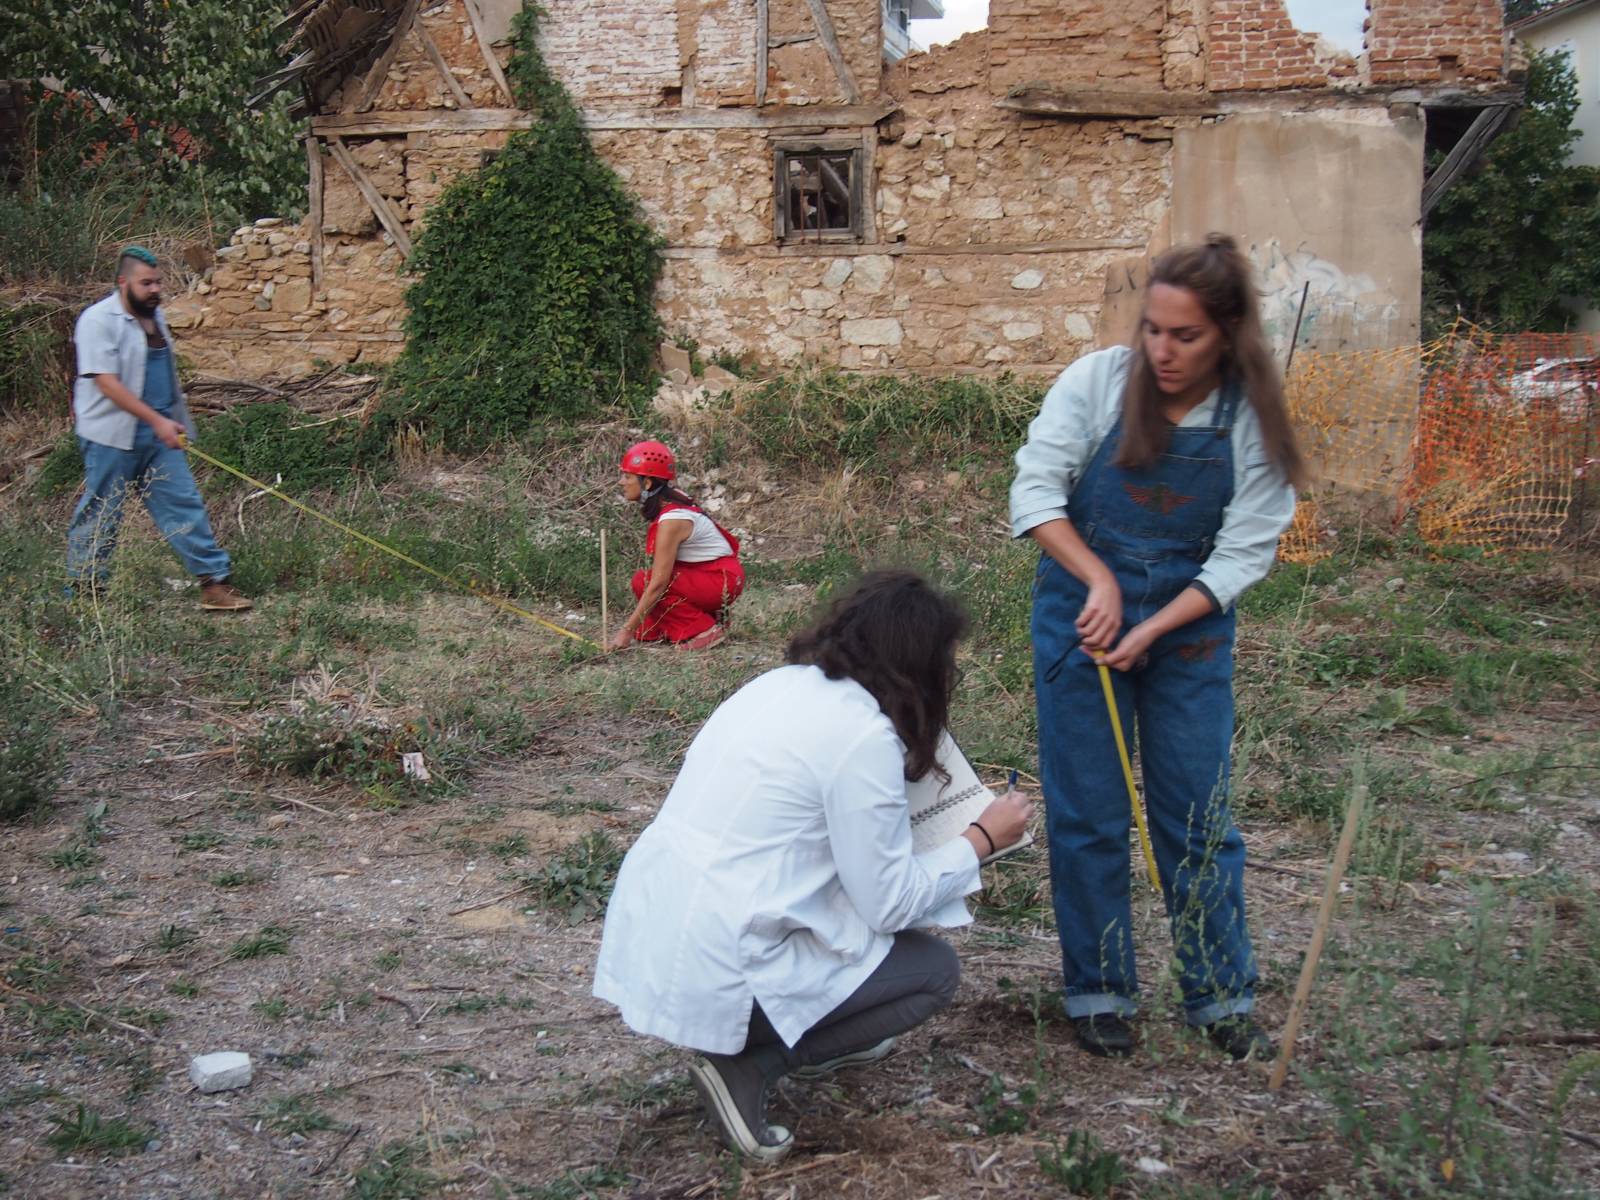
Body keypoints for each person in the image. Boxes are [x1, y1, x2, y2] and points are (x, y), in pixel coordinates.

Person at [594, 571, 1032, 1162]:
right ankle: (751, 1065)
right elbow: (891, 902)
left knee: (872, 929)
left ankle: (820, 1036)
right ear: (920, 665)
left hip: (658, 932)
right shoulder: (864, 738)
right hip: (725, 963)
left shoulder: (779, 685)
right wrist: (981, 838)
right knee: (933, 971)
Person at [1009, 234, 1308, 1061]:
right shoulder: (1098, 383)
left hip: (1189, 633)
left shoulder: (1248, 419)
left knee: (1197, 817)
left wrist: (1152, 624)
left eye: (1186, 336)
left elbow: (1245, 552)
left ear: (1229, 337)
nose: (1163, 351)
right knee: (1088, 812)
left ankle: (1217, 995)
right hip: (1081, 618)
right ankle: (1099, 988)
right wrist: (1098, 582)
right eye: (1153, 330)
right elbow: (1035, 490)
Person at [65, 246, 251, 611]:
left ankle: (215, 585)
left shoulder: (157, 317)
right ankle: (85, 596)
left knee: (184, 505)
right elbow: (106, 382)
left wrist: (169, 420)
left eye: (158, 282)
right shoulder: (97, 320)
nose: (154, 289)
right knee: (101, 513)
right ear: (123, 282)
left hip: (160, 436)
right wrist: (156, 420)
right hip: (110, 436)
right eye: (146, 283)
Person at [609, 440, 742, 651]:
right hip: (716, 576)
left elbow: (659, 584)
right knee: (643, 583)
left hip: (719, 579)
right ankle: (707, 618)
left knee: (647, 582)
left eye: (627, 476)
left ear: (648, 484)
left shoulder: (672, 520)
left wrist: (625, 631)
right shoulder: (674, 505)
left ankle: (704, 630)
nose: (621, 482)